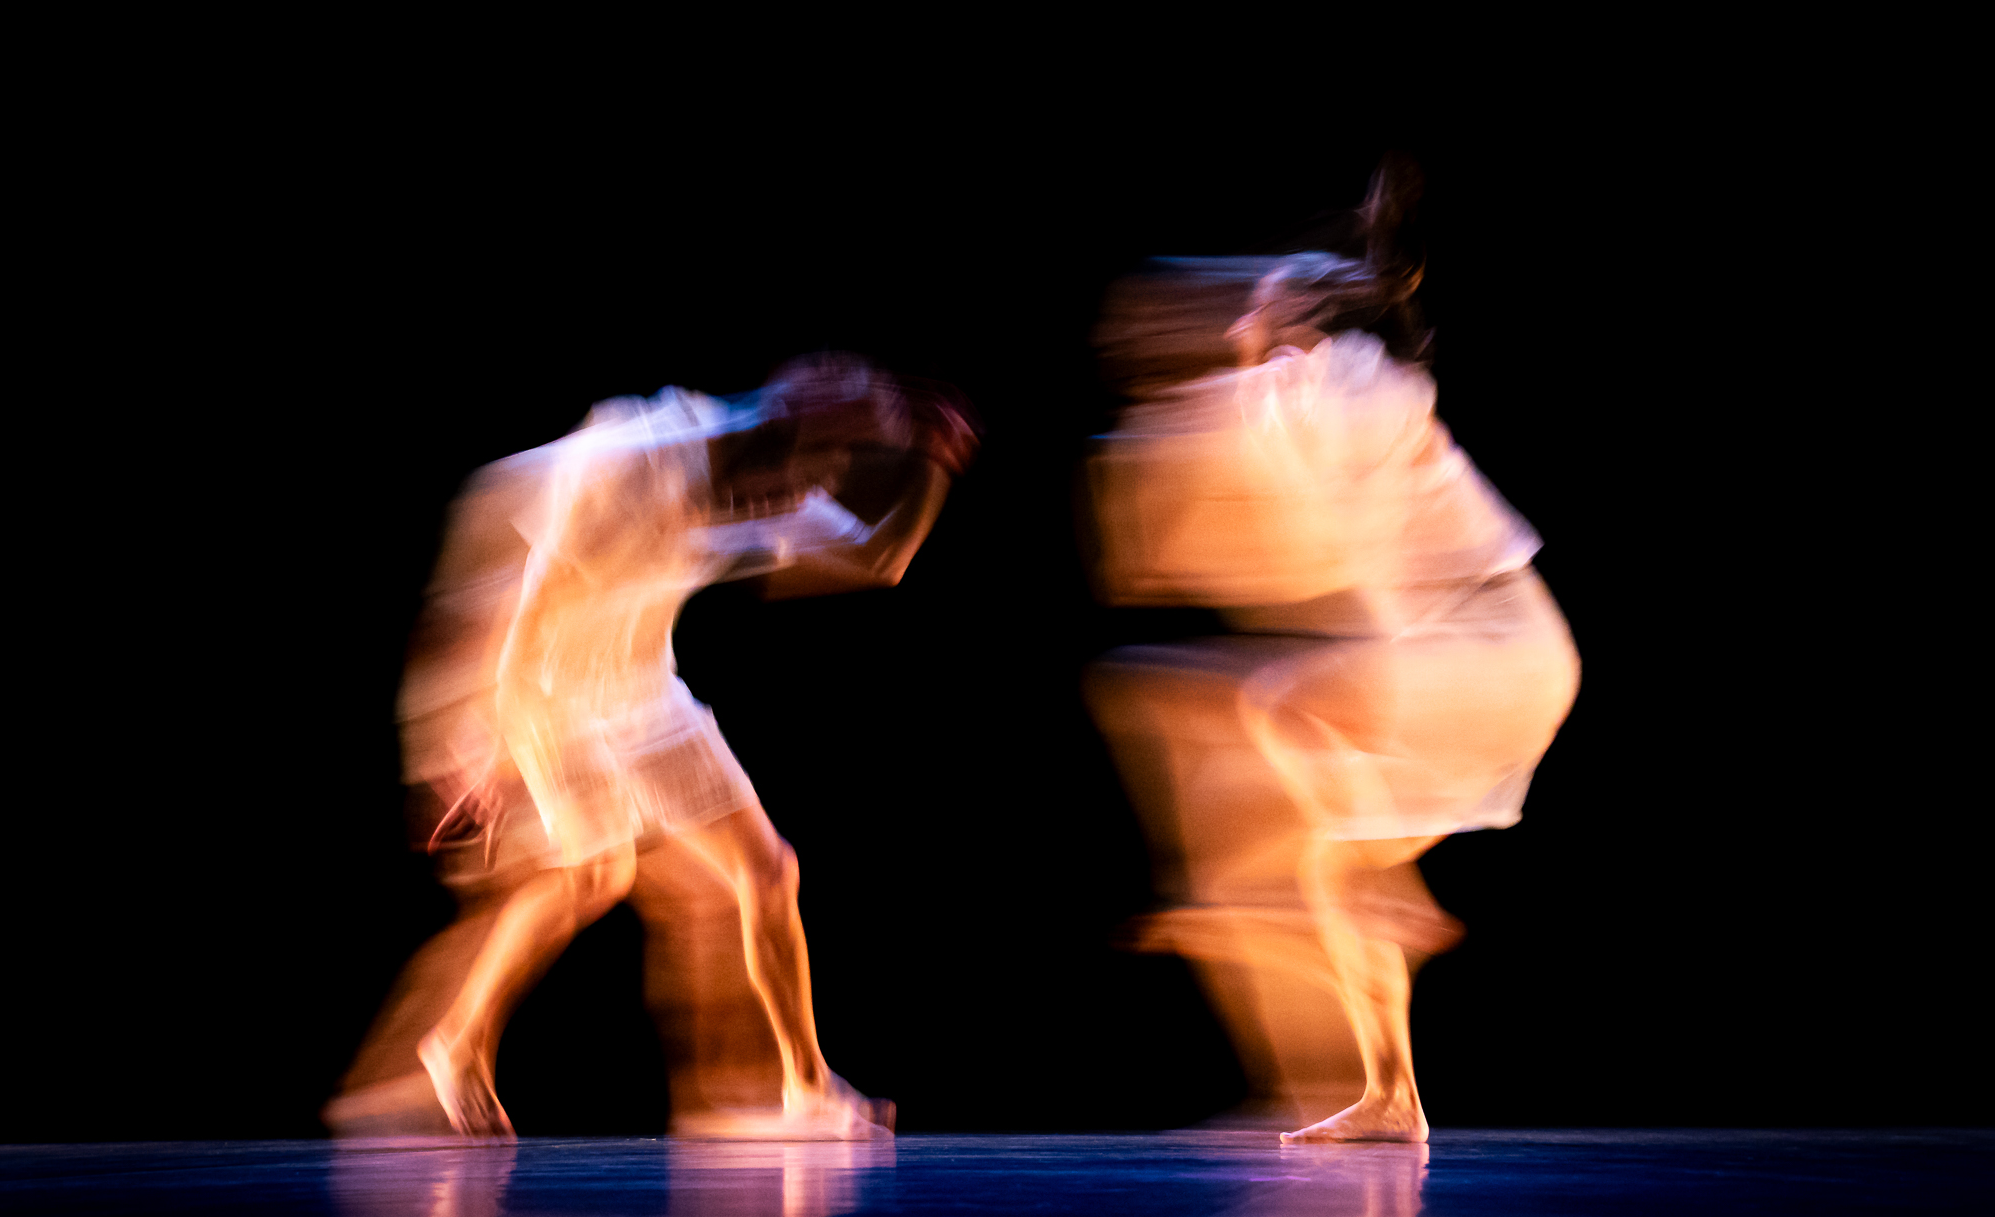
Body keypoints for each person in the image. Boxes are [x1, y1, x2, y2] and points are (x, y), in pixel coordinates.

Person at [325, 356, 974, 1139]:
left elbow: (878, 560)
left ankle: (806, 1086)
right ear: (776, 425)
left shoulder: (766, 472)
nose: (798, 491)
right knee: (594, 872)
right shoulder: (637, 461)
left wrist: (932, 467)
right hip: (549, 686)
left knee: (769, 870)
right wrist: (487, 754)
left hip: (642, 683)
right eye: (809, 461)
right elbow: (528, 618)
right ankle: (456, 1042)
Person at [1084, 159, 1579, 1143]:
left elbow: (1247, 543)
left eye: (1254, 313)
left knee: (1277, 711)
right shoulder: (1292, 395)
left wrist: (1207, 407)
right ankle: (1391, 1097)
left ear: (1301, 323)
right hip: (1452, 657)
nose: (1235, 330)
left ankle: (1388, 888)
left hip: (1488, 648)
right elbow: (1195, 563)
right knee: (1308, 856)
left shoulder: (1342, 382)